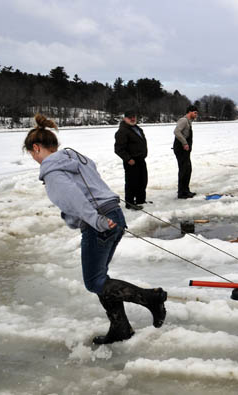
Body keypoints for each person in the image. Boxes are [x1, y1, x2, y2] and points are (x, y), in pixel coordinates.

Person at [24, 114, 167, 344]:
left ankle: (151, 298)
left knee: (94, 281)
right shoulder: (74, 159)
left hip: (99, 221)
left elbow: (75, 199)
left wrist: (96, 221)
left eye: (32, 154)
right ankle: (120, 327)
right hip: (113, 214)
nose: (34, 158)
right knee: (102, 277)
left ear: (37, 148)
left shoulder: (53, 172)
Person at [114, 109, 148, 210]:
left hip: (140, 159)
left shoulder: (136, 128)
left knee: (142, 181)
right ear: (125, 119)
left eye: (134, 117)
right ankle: (130, 203)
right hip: (131, 162)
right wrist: (128, 159)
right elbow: (118, 149)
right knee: (131, 183)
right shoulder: (122, 131)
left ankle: (140, 200)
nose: (133, 119)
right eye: (130, 117)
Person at [173, 105, 198, 199]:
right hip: (181, 149)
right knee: (184, 170)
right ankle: (181, 193)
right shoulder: (183, 120)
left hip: (185, 149)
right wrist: (184, 143)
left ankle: (186, 190)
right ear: (190, 112)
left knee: (188, 170)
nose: (196, 115)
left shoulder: (189, 122)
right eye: (195, 113)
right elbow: (176, 132)